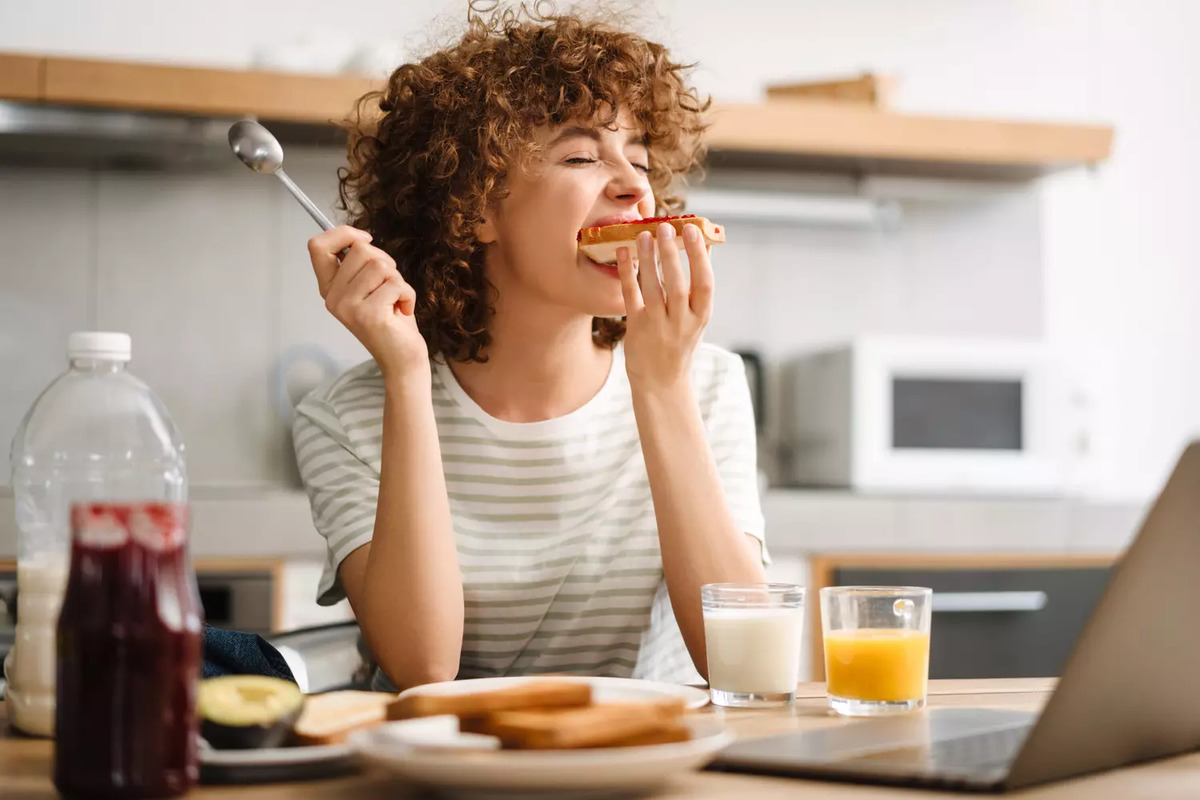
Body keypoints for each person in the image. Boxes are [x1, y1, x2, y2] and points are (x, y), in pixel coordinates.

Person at [294, 5, 768, 693]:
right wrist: (403, 376)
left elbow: (746, 667)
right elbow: (424, 667)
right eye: (580, 155)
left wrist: (661, 387)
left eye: (637, 158)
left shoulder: (707, 383)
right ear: (473, 206)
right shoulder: (347, 417)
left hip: (645, 768)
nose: (634, 185)